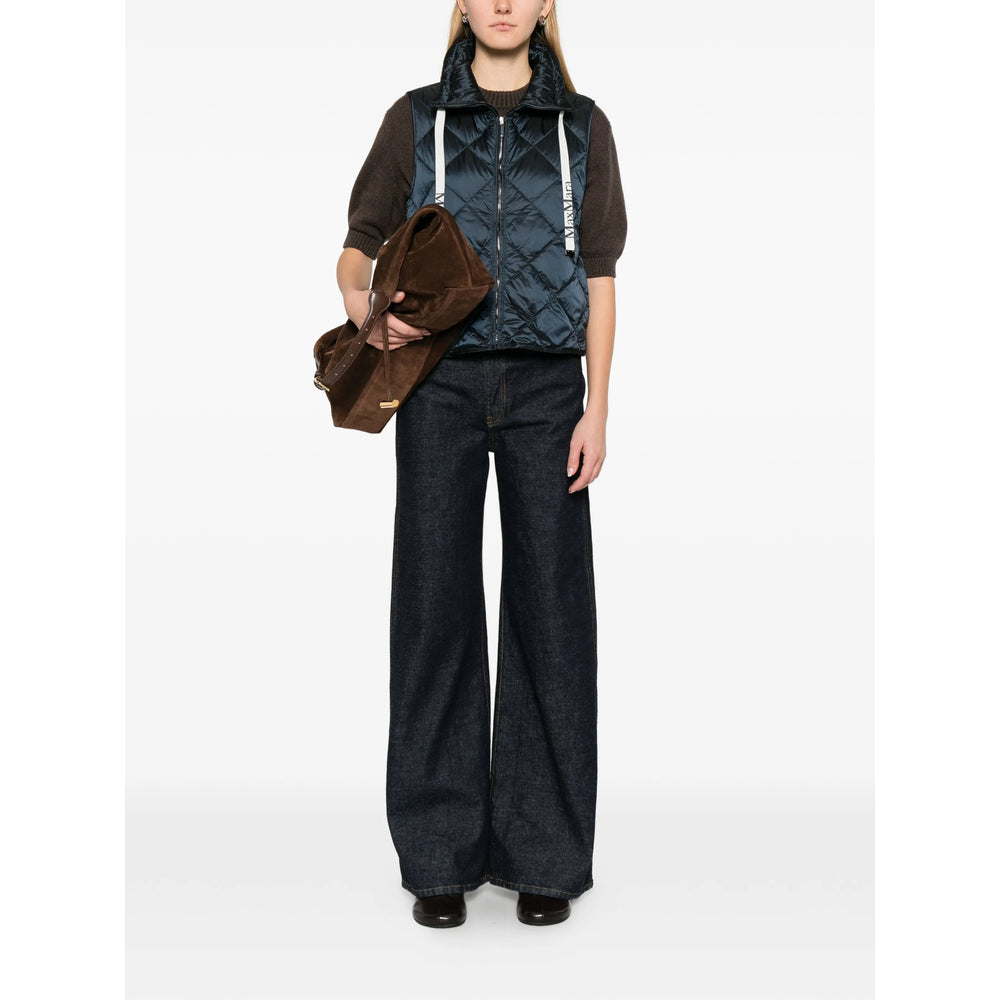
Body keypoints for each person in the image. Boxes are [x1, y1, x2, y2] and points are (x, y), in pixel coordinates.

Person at [335, 0, 627, 928]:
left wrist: (597, 405)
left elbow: (601, 277)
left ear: (545, 6)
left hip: (548, 395)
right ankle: (438, 857)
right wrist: (367, 314)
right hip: (438, 388)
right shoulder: (415, 117)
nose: (503, 3)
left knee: (553, 614)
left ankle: (544, 857)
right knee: (434, 609)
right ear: (462, 4)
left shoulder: (583, 126)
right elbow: (357, 245)